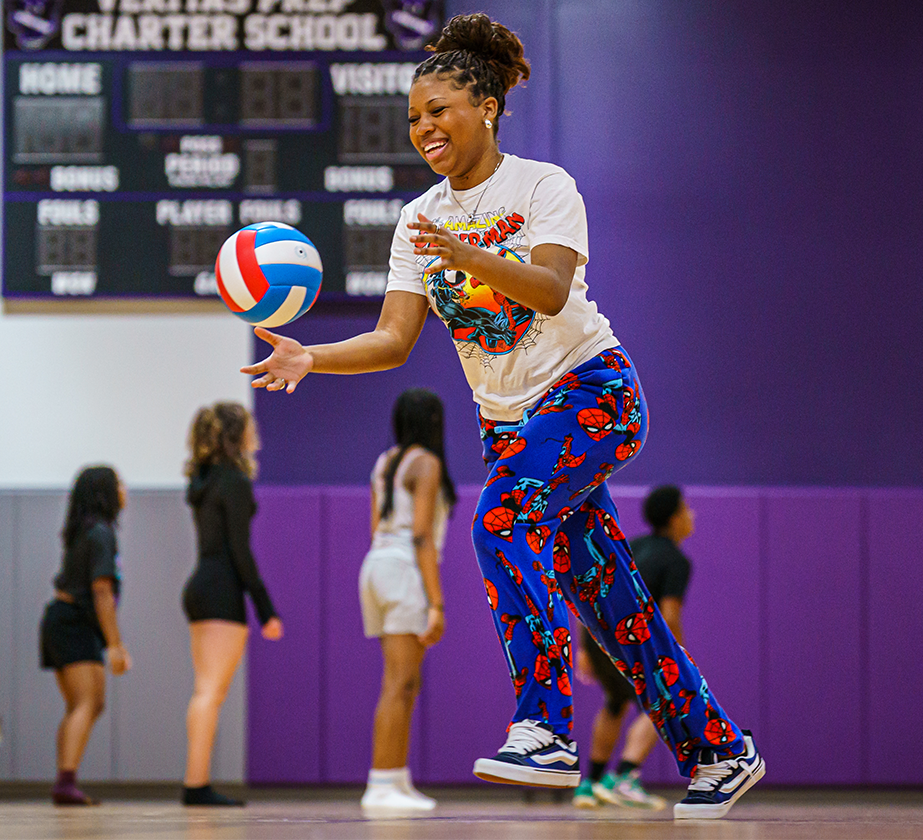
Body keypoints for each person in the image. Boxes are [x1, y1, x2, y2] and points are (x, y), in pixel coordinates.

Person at [240, 13, 763, 820]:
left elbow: (551, 290)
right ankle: (719, 748)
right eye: (413, 119)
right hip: (514, 426)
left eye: (438, 111)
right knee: (613, 604)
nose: (423, 130)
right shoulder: (418, 220)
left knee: (498, 522)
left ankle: (544, 729)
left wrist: (475, 256)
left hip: (592, 392)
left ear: (484, 106)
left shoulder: (543, 186)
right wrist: (313, 355)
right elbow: (393, 337)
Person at [358, 389, 458, 811]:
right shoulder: (427, 463)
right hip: (403, 567)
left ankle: (394, 780)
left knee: (402, 682)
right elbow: (420, 536)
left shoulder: (385, 462)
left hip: (377, 565)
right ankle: (380, 783)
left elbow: (373, 525)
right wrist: (436, 603)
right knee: (400, 683)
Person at [181, 402, 284, 806]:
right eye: (248, 426)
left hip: (200, 586)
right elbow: (240, 552)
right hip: (221, 589)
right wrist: (266, 610)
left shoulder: (204, 480)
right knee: (209, 692)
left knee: (204, 691)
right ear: (234, 434)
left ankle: (196, 780)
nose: (255, 431)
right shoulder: (235, 483)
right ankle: (195, 784)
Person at [572, 485, 695, 811]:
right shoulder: (676, 560)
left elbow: (596, 590)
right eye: (686, 509)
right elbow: (669, 614)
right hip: (635, 639)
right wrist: (677, 656)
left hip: (601, 635)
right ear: (674, 519)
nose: (691, 516)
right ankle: (627, 776)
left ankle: (591, 783)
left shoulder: (633, 546)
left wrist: (585, 647)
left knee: (615, 702)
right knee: (667, 698)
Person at [39, 465, 131, 806]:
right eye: (119, 484)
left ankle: (65, 778)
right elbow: (102, 591)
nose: (125, 490)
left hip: (64, 620)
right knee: (89, 702)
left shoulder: (85, 531)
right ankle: (65, 781)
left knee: (83, 704)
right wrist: (116, 645)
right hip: (72, 622)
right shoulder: (101, 534)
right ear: (105, 492)